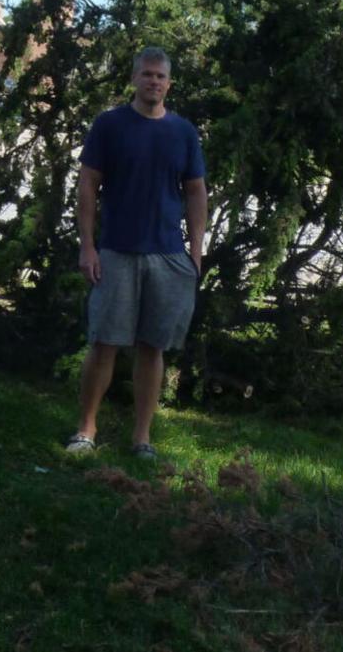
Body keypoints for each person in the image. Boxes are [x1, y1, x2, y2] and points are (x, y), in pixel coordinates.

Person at [67, 46, 207, 458]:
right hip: (115, 252)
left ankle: (142, 438)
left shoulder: (183, 132)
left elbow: (195, 191)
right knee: (104, 344)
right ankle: (85, 431)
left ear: (169, 84)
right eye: (147, 74)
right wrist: (88, 246)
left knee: (152, 348)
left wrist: (196, 252)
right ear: (134, 79)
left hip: (168, 256)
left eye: (161, 76)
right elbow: (88, 185)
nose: (154, 82)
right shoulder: (110, 125)